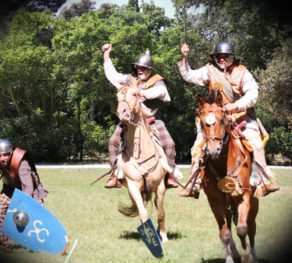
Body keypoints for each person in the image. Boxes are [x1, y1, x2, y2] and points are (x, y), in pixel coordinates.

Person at [177, 41, 280, 198]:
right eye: (219, 57)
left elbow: (253, 95)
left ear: (232, 57)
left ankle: (264, 182)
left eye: (225, 57)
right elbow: (189, 76)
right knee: (196, 148)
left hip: (241, 116)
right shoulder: (210, 70)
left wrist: (235, 106)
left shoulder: (242, 72)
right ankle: (195, 184)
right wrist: (185, 58)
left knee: (257, 145)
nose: (222, 59)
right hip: (216, 118)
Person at [102, 43, 182, 189]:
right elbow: (113, 76)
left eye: (143, 68)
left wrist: (139, 92)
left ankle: (169, 176)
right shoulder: (130, 79)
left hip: (152, 121)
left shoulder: (158, 82)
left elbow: (162, 93)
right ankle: (115, 175)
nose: (140, 70)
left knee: (169, 144)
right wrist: (106, 55)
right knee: (113, 141)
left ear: (150, 70)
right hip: (130, 122)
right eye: (138, 68)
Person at [0, 139, 48, 252]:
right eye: (0, 156)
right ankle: (6, 247)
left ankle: (38, 244)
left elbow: (28, 186)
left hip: (30, 191)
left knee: (31, 215)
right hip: (9, 189)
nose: (3, 158)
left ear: (11, 153)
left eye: (6, 155)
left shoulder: (20, 161)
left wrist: (23, 207)